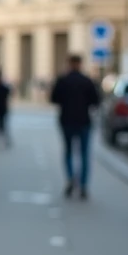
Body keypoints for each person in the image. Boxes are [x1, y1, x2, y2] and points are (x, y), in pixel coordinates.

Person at [50, 55, 100, 199]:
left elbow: (54, 99)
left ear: (69, 63)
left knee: (68, 152)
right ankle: (83, 185)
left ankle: (71, 178)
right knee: (84, 154)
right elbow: (96, 101)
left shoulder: (62, 80)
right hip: (84, 121)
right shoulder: (87, 81)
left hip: (67, 120)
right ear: (80, 64)